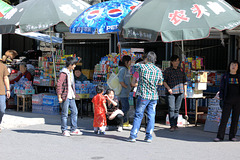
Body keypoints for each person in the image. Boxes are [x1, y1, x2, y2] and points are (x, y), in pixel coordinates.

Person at [128, 51, 163, 143]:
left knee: (139, 115)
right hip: (154, 96)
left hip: (143, 95)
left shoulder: (141, 67)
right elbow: (160, 82)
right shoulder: (158, 70)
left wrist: (143, 62)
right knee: (151, 116)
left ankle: (133, 135)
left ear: (146, 58)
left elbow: (133, 66)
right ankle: (149, 136)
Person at [214, 60, 240, 142]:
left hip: (238, 101)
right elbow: (222, 87)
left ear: (238, 67)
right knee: (224, 119)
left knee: (235, 119)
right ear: (229, 66)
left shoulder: (239, 76)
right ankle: (220, 136)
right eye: (232, 64)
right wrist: (220, 96)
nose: (234, 66)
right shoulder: (225, 76)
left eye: (236, 65)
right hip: (227, 100)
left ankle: (232, 136)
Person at [57, 57, 83, 137]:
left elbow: (71, 85)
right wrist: (59, 97)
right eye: (74, 64)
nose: (75, 66)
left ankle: (73, 129)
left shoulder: (70, 71)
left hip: (71, 95)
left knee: (74, 111)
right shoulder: (63, 73)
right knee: (65, 114)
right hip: (65, 95)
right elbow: (59, 85)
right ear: (70, 65)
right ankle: (64, 130)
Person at [163, 55, 187, 132]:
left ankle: (175, 124)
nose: (177, 62)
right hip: (171, 92)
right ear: (172, 62)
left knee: (177, 109)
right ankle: (172, 125)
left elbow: (185, 82)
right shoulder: (167, 70)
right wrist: (168, 88)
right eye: (175, 61)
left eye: (178, 61)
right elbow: (164, 81)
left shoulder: (181, 70)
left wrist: (185, 92)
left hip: (180, 92)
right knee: (171, 108)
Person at [118, 55, 132, 127]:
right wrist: (126, 87)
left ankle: (125, 122)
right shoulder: (123, 69)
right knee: (125, 107)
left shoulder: (126, 69)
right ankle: (123, 122)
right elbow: (121, 81)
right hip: (122, 92)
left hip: (125, 93)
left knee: (125, 107)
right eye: (130, 61)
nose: (130, 63)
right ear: (126, 62)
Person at [0, 62, 11, 133]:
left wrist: (8, 89)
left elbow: (6, 78)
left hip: (1, 91)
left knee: (2, 110)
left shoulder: (2, 66)